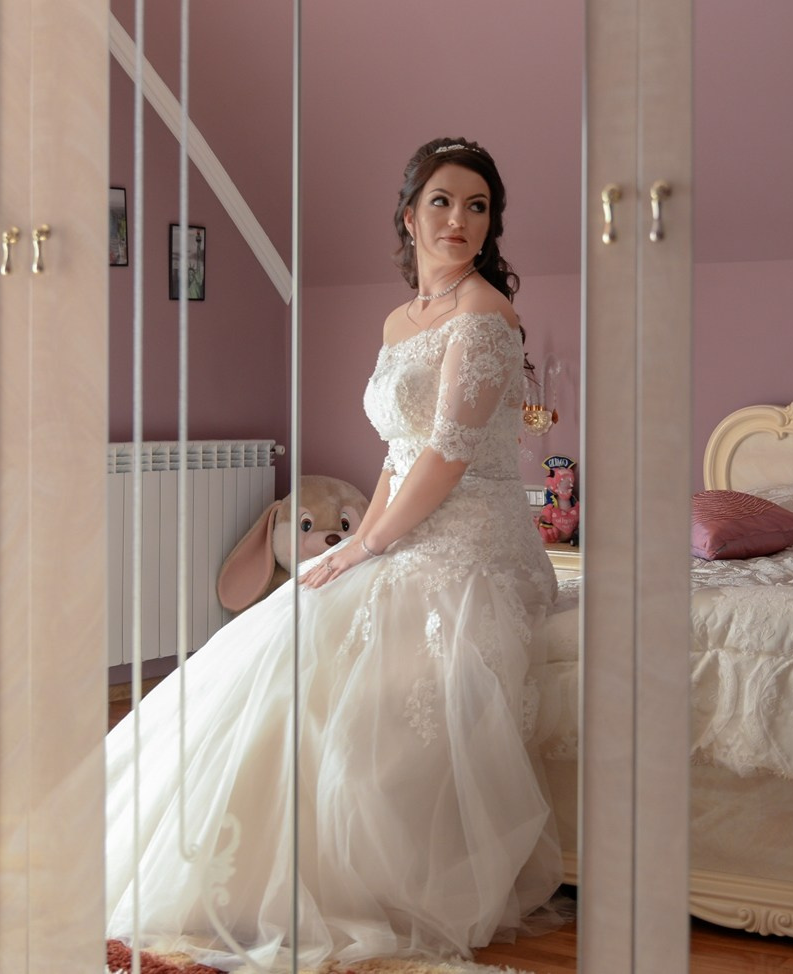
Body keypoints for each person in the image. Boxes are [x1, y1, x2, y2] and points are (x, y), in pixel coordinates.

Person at [104, 137, 563, 970]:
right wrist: (361, 545)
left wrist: (372, 545)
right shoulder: (400, 321)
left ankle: (326, 879)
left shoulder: (486, 316)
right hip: (405, 526)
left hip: (472, 546)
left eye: (477, 206)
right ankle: (217, 865)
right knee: (284, 633)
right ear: (408, 216)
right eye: (440, 201)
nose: (457, 220)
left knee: (345, 655)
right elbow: (396, 453)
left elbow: (446, 456)